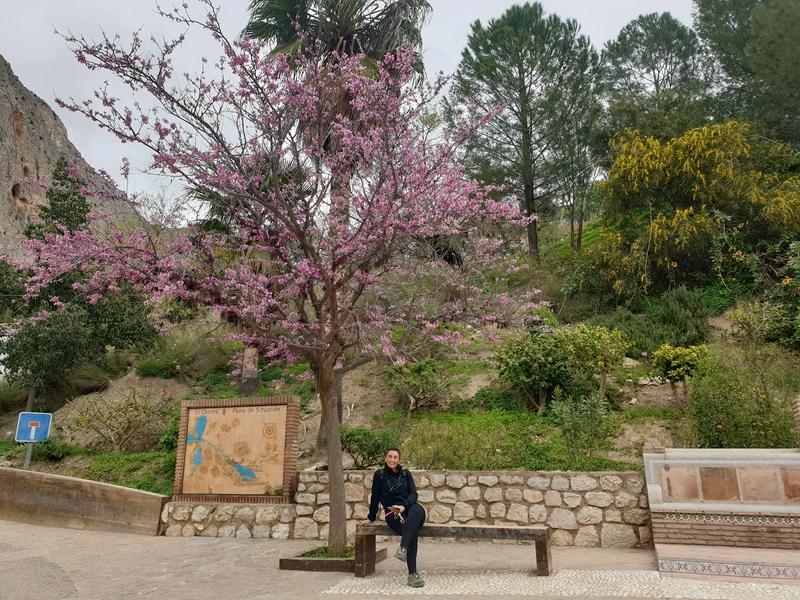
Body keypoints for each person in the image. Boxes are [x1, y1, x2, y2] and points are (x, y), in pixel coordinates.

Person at [358, 447, 426, 588]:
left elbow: (413, 494)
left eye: (395, 457)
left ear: (399, 460)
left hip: (410, 509)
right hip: (392, 513)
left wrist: (405, 506)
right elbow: (375, 497)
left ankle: (403, 548)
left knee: (417, 509)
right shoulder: (380, 475)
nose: (392, 460)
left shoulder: (406, 474)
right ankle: (412, 574)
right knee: (411, 529)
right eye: (390, 456)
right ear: (385, 458)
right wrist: (371, 518)